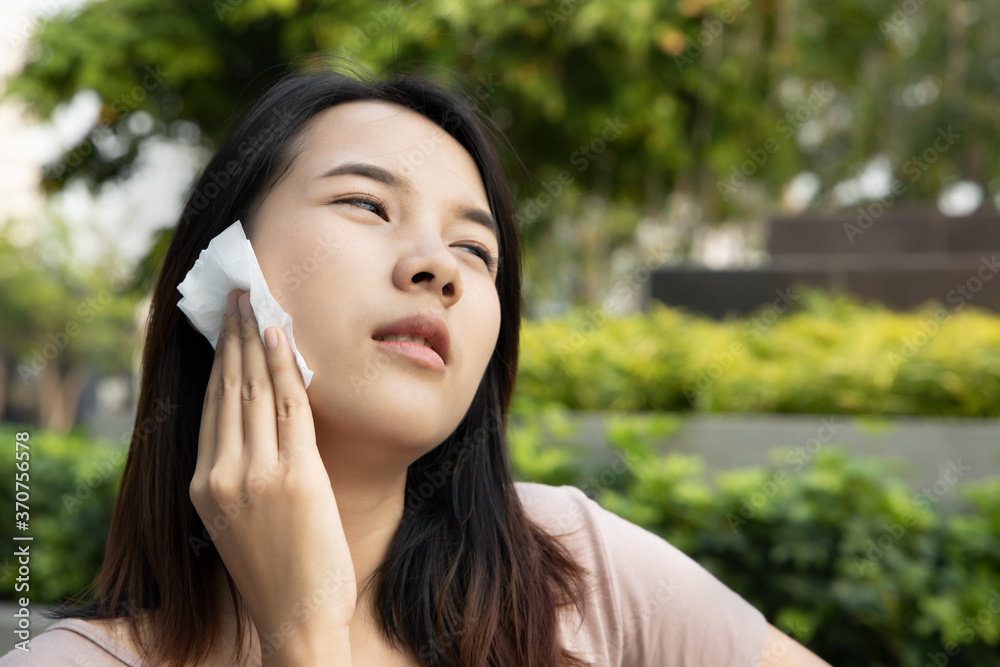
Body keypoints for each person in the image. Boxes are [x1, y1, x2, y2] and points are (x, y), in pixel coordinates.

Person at [0, 59, 831, 666]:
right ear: (224, 268)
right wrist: (304, 638)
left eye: (476, 249)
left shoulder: (581, 574)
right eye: (367, 203)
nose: (439, 268)